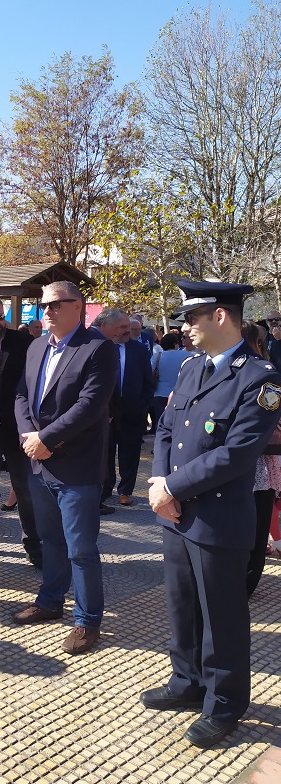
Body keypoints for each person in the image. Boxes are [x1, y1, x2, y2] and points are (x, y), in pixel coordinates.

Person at [144, 280, 281, 748]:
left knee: (221, 617)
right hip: (175, 512)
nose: (184, 327)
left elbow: (236, 454)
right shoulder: (191, 367)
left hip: (217, 518)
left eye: (191, 318)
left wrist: (172, 487)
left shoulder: (261, 379)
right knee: (182, 606)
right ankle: (187, 682)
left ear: (220, 316)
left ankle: (224, 703)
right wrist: (159, 483)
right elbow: (166, 429)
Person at [13, 281, 118, 655]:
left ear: (79, 307)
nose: (48, 311)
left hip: (77, 466)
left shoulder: (98, 348)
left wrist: (46, 438)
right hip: (39, 463)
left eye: (56, 304)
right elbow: (22, 394)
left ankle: (87, 621)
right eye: (44, 305)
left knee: (81, 549)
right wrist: (29, 435)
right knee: (50, 540)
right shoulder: (36, 346)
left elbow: (91, 405)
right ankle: (50, 601)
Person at [0, 296, 41, 567]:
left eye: (1, 317)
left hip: (15, 428)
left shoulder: (22, 342)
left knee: (25, 488)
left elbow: (30, 384)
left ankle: (34, 546)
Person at [93, 308, 154, 507]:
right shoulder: (101, 347)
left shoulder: (139, 349)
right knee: (106, 452)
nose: (128, 330)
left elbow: (148, 380)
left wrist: (143, 406)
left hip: (133, 412)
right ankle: (105, 489)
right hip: (106, 413)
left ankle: (126, 491)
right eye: (123, 327)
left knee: (130, 453)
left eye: (130, 326)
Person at [240, 321, 281, 597]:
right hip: (253, 466)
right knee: (253, 528)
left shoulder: (266, 374)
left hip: (258, 464)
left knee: (254, 527)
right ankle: (244, 582)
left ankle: (245, 583)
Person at [151, 333, 192, 418]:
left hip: (160, 393)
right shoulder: (187, 355)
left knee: (160, 420)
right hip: (181, 393)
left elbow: (149, 371)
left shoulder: (157, 356)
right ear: (175, 343)